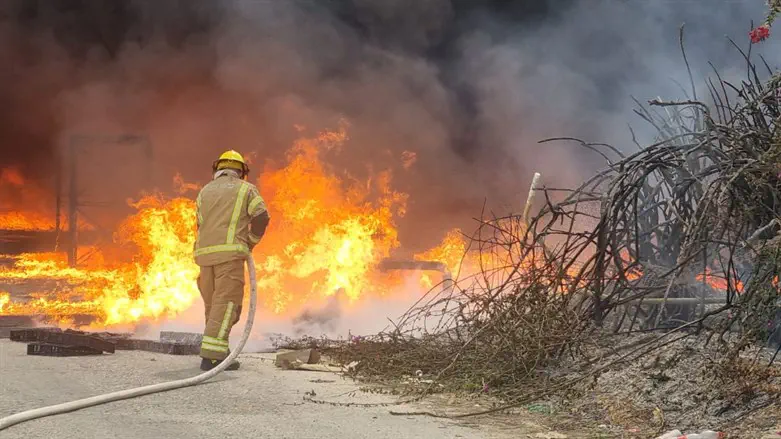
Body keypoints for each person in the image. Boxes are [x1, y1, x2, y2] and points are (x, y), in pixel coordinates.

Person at [193, 150, 270, 371]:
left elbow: (200, 224)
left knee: (213, 306)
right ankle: (212, 358)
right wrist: (250, 242)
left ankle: (220, 351)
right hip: (230, 256)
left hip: (205, 257)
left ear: (217, 169)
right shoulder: (246, 189)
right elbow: (261, 216)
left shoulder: (204, 191)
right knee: (227, 306)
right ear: (241, 171)